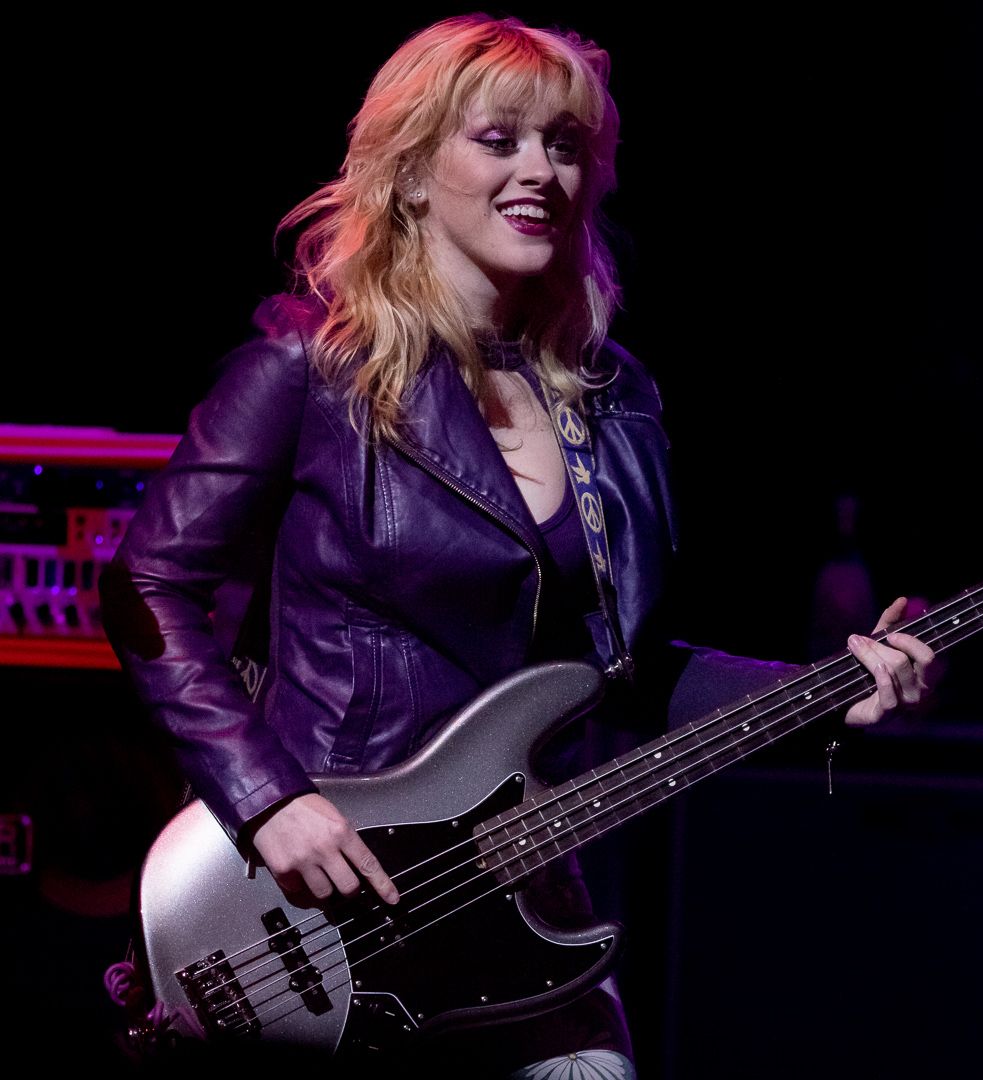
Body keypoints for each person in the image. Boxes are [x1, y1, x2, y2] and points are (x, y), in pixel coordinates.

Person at [100, 14, 934, 1077]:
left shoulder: (612, 399)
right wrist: (269, 800)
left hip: (520, 891)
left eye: (565, 145)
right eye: (499, 140)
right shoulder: (312, 365)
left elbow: (623, 672)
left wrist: (826, 694)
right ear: (410, 173)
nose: (541, 169)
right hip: (322, 890)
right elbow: (148, 585)